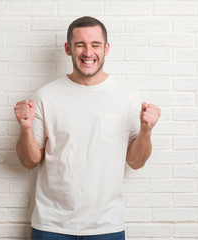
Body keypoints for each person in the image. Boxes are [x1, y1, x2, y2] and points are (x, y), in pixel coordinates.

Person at [14, 16, 161, 240]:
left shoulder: (128, 96)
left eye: (95, 44)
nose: (88, 52)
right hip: (51, 225)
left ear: (107, 48)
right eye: (80, 44)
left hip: (106, 226)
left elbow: (136, 162)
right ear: (68, 48)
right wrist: (25, 130)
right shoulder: (46, 96)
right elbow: (28, 161)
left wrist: (146, 132)